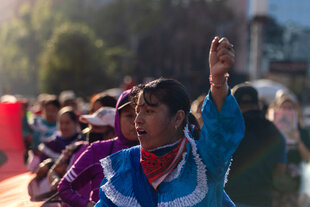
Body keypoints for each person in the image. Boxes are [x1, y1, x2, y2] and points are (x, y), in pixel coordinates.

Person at [95, 36, 244, 207]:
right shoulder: (126, 166)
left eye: (149, 111)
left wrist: (218, 80)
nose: (138, 120)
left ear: (178, 118)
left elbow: (222, 130)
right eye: (138, 111)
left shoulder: (202, 161)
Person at [58, 89, 139, 207]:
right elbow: (64, 187)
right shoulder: (97, 150)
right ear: (117, 119)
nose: (136, 121)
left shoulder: (159, 150)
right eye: (129, 115)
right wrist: (89, 205)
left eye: (142, 112)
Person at [224, 83, 286, 207]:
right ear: (258, 105)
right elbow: (280, 170)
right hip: (261, 199)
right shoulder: (274, 132)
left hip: (228, 199)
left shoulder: (226, 130)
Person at [28, 106, 81, 201]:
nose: (63, 126)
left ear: (75, 123)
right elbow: (39, 170)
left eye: (67, 123)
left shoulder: (81, 143)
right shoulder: (50, 144)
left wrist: (51, 165)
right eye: (61, 123)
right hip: (49, 191)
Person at [267, 91, 310, 207]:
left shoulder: (302, 131)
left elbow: (307, 158)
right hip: (273, 181)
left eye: (290, 108)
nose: (286, 111)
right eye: (283, 108)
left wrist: (298, 140)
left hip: (292, 183)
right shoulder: (270, 130)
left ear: (295, 111)